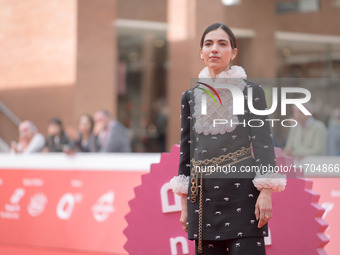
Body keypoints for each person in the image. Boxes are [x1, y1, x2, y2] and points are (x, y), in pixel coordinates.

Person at [169, 23, 286, 255]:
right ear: (201, 53)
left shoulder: (251, 91)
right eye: (208, 44)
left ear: (233, 53)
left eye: (222, 44)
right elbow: (187, 151)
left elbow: (263, 143)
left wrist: (266, 192)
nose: (214, 49)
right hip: (203, 198)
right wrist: (184, 204)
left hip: (243, 196)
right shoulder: (190, 97)